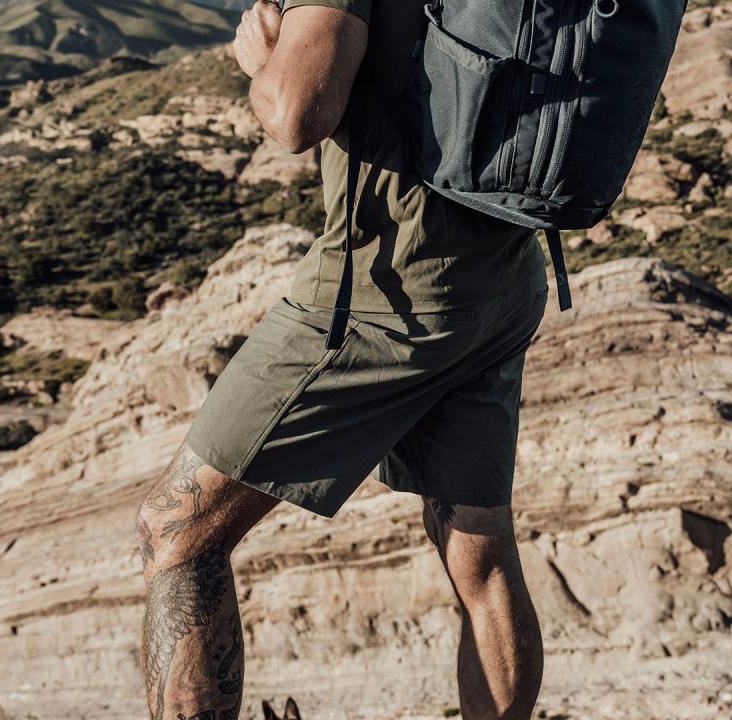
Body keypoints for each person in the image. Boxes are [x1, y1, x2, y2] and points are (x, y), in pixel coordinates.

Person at [135, 0, 549, 718]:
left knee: (178, 530)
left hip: (383, 292)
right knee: (477, 550)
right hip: (504, 273)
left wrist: (261, 62)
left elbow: (297, 115)